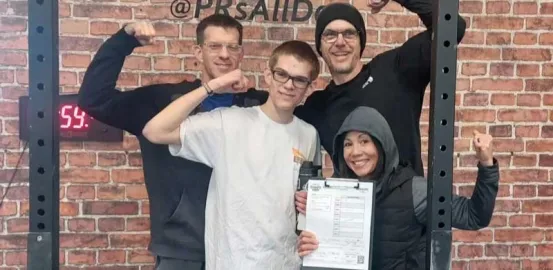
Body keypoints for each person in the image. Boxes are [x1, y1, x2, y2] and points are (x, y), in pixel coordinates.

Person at [77, 14, 268, 270]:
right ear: (198, 53)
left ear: (241, 53)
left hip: (244, 247)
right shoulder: (162, 102)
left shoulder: (260, 105)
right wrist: (123, 40)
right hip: (182, 249)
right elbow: (93, 99)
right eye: (214, 46)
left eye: (232, 47)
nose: (224, 54)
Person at [142, 40, 320, 270]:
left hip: (286, 261)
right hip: (233, 261)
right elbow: (155, 131)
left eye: (299, 79)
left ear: (309, 86)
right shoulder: (229, 122)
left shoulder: (309, 134)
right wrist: (213, 86)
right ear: (268, 75)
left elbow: (307, 203)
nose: (288, 85)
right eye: (281, 74)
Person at [295, 106, 500, 270]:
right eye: (347, 144)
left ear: (381, 144)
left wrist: (486, 164)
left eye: (364, 141)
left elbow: (474, 216)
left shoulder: (414, 191)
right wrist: (312, 246)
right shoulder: (333, 194)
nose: (355, 152)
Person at [295, 2, 468, 176]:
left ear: (360, 42)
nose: (340, 42)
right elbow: (274, 109)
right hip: (350, 201)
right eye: (330, 35)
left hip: (406, 200)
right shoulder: (318, 106)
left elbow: (453, 27)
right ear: (320, 46)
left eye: (349, 34)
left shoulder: (394, 69)